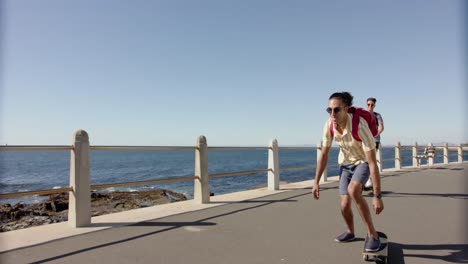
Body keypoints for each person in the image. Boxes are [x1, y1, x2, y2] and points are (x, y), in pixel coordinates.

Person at [312, 92, 384, 252]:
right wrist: (316, 182)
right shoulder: (329, 125)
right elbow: (324, 154)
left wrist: (377, 196)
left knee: (353, 191)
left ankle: (373, 235)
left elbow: (372, 163)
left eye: (336, 110)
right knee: (344, 205)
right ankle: (350, 231)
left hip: (362, 162)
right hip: (345, 165)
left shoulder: (360, 126)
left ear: (346, 109)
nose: (332, 114)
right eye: (329, 110)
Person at [364, 97, 384, 189]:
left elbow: (381, 127)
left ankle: (369, 181)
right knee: (363, 160)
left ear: (374, 105)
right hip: (364, 140)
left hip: (374, 141)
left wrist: (376, 134)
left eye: (372, 105)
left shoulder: (377, 115)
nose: (370, 106)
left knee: (370, 160)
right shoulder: (363, 115)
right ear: (366, 104)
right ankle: (365, 180)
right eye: (368, 104)